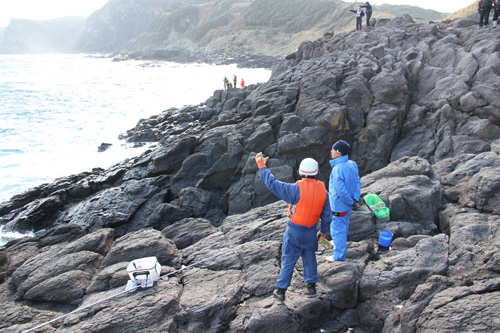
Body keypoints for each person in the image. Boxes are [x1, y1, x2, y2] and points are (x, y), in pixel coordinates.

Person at [255, 153, 331, 301]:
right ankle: (311, 287)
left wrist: (262, 166)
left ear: (301, 172)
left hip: (294, 231)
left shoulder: (295, 189)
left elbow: (273, 184)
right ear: (316, 172)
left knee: (288, 259)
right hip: (310, 231)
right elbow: (327, 215)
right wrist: (323, 231)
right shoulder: (324, 191)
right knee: (309, 258)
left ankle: (281, 290)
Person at [326, 140, 361, 262]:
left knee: (337, 229)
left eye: (333, 150)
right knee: (343, 226)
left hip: (339, 206)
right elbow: (357, 182)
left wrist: (350, 201)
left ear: (339, 153)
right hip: (348, 206)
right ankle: (338, 243)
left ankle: (338, 256)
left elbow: (340, 191)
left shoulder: (337, 169)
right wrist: (355, 199)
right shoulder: (352, 164)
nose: (331, 151)